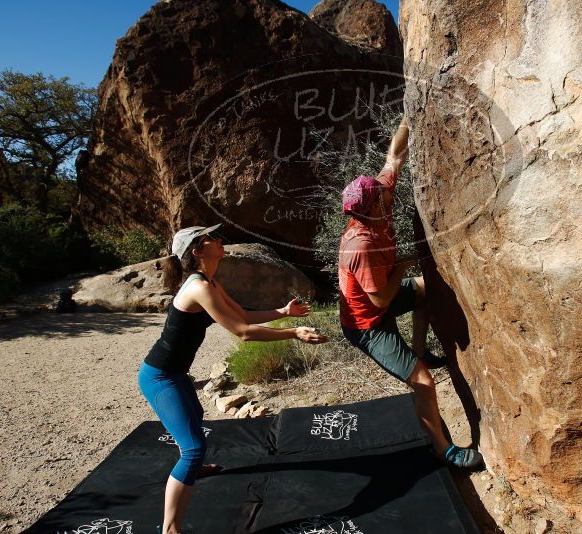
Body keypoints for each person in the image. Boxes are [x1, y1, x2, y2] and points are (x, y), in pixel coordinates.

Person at [138, 225, 327, 534]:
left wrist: (283, 311)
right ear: (198, 251)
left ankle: (194, 470)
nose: (220, 240)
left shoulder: (209, 282)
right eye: (211, 238)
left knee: (195, 417)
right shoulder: (198, 288)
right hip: (159, 376)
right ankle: (170, 528)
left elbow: (241, 314)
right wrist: (293, 332)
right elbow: (242, 332)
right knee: (193, 449)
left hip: (175, 373)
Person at [338, 118, 483, 469]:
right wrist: (402, 268)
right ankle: (443, 450)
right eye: (382, 195)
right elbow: (379, 301)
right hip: (367, 324)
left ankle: (419, 349)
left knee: (426, 290)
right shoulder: (361, 246)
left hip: (379, 299)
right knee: (423, 382)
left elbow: (394, 157)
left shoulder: (375, 200)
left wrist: (409, 118)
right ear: (371, 207)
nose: (389, 192)